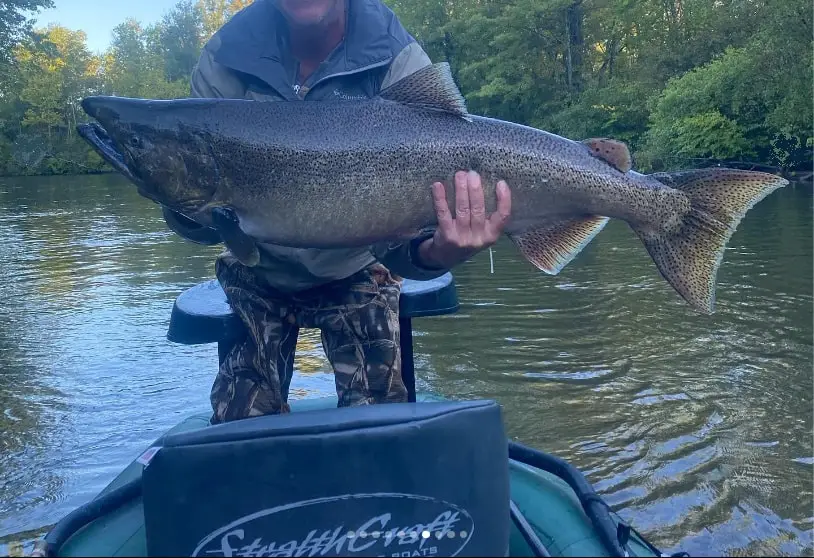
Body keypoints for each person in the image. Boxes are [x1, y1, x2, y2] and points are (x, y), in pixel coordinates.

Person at [162, 0, 512, 424]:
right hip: (257, 270)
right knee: (239, 434)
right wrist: (182, 205)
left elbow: (403, 245)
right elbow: (202, 220)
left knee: (382, 427)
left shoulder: (394, 56)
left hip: (360, 264)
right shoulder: (227, 56)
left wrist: (438, 253)